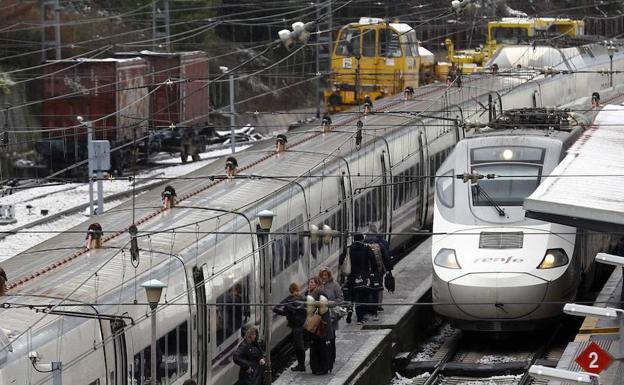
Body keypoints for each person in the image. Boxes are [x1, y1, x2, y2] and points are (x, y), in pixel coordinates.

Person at [339, 233, 378, 324]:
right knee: (361, 297)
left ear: (354, 239)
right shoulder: (366, 248)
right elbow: (373, 261)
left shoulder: (349, 249)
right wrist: (373, 273)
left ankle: (350, 309)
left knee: (351, 295)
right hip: (363, 277)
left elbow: (341, 260)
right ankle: (360, 318)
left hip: (351, 276)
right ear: (362, 239)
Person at [273, 282, 307, 372]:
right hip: (296, 326)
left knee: (299, 346)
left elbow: (289, 312)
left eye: (296, 291)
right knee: (297, 346)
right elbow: (285, 313)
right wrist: (274, 309)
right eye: (294, 291)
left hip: (298, 326)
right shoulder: (297, 300)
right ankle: (301, 364)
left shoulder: (299, 300)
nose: (295, 293)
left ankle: (301, 365)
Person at [305, 276, 333, 375]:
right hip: (313, 325)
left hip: (321, 325)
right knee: (314, 346)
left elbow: (323, 310)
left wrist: (314, 318)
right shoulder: (309, 294)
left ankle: (323, 368)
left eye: (312, 282)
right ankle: (315, 367)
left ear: (317, 284)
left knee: (321, 347)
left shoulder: (321, 294)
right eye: (309, 282)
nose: (310, 284)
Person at [365, 225, 393, 318]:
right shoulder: (382, 242)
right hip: (379, 270)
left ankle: (370, 305)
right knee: (379, 287)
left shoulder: (364, 243)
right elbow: (386, 255)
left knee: (369, 287)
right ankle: (379, 305)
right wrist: (389, 269)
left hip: (368, 271)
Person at [319, 267, 343, 372]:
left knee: (331, 336)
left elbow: (340, 299)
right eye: (322, 275)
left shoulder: (335, 285)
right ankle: (325, 359)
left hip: (331, 315)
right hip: (320, 315)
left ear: (329, 275)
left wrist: (331, 304)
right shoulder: (319, 285)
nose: (324, 277)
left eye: (326, 275)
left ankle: (332, 357)